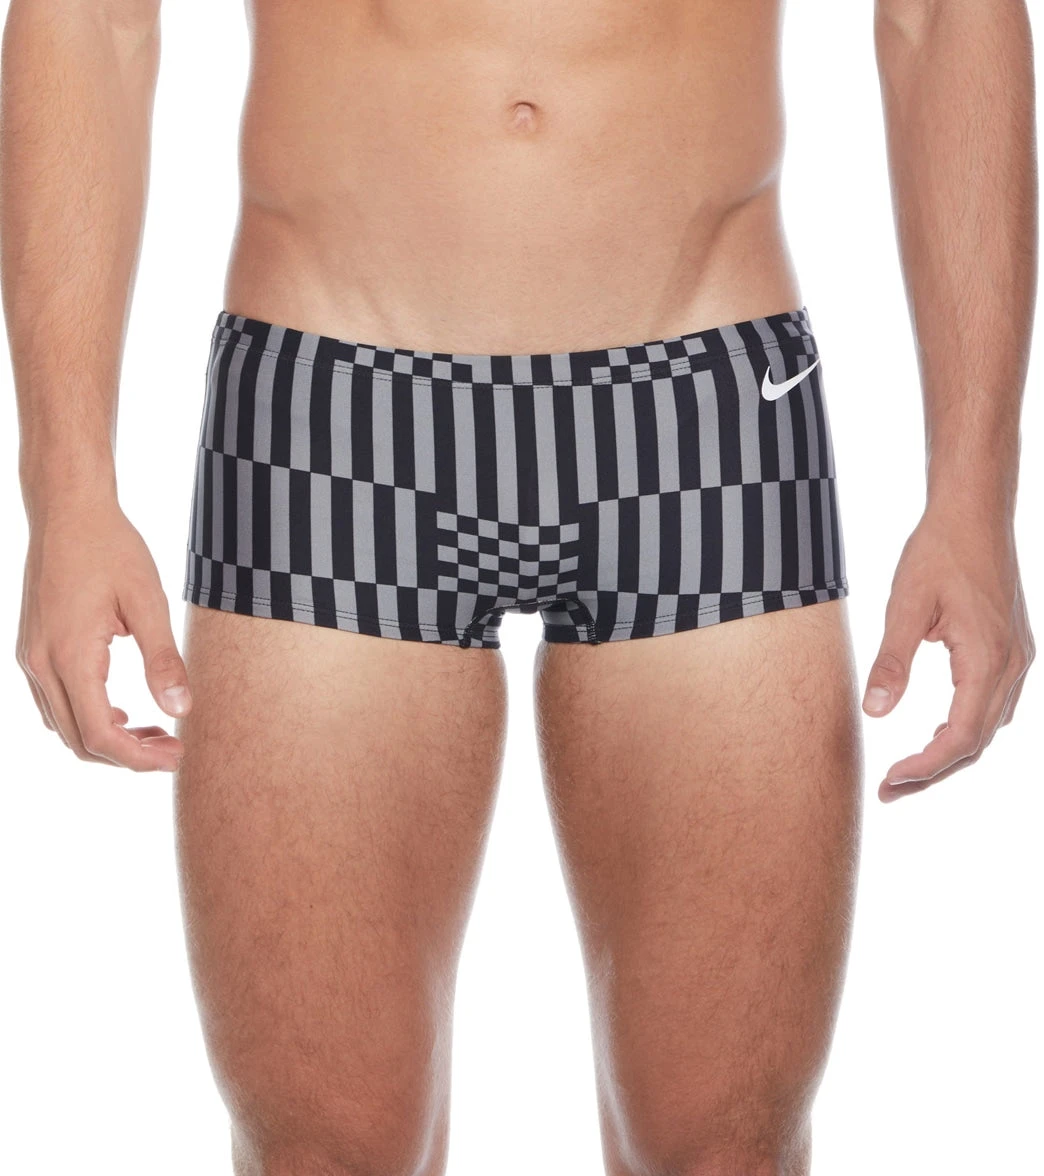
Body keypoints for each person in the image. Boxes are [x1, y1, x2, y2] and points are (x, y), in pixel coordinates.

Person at [2, 1, 1035, 1173]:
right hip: (334, 410)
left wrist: (976, 488)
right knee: (323, 1149)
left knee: (725, 1147)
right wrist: (65, 489)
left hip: (700, 407)